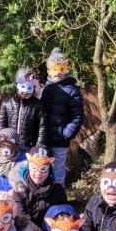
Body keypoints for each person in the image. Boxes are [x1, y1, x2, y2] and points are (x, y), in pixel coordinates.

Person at [40, 48, 83, 185]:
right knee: (42, 170)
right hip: (43, 139)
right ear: (49, 71)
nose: (58, 73)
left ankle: (59, 195)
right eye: (54, 69)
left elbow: (78, 116)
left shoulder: (72, 91)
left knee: (58, 172)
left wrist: (66, 133)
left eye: (61, 69)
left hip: (60, 140)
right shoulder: (44, 90)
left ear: (66, 69)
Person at [10, 145, 67, 230]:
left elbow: (62, 212)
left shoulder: (57, 190)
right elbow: (21, 218)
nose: (38, 174)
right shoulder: (19, 189)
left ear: (49, 169)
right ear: (28, 167)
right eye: (33, 168)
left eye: (43, 169)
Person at [0, 66, 47, 150]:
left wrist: (39, 146)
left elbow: (42, 127)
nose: (26, 92)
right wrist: (2, 141)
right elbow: (1, 124)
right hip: (10, 145)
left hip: (29, 146)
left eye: (29, 87)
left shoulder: (38, 105)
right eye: (23, 86)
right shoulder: (7, 102)